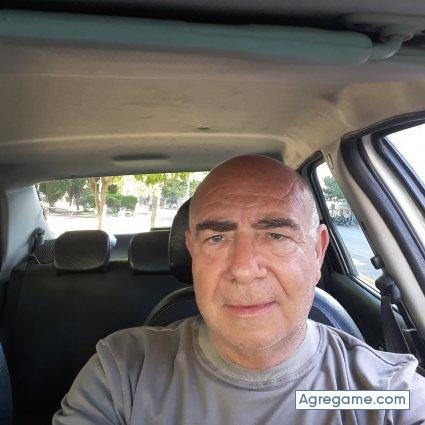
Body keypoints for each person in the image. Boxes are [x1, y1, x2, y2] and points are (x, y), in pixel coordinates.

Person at [53, 155, 425, 424]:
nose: (244, 269)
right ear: (192, 252)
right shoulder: (122, 372)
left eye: (276, 235)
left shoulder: (387, 392)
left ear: (317, 252)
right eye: (216, 238)